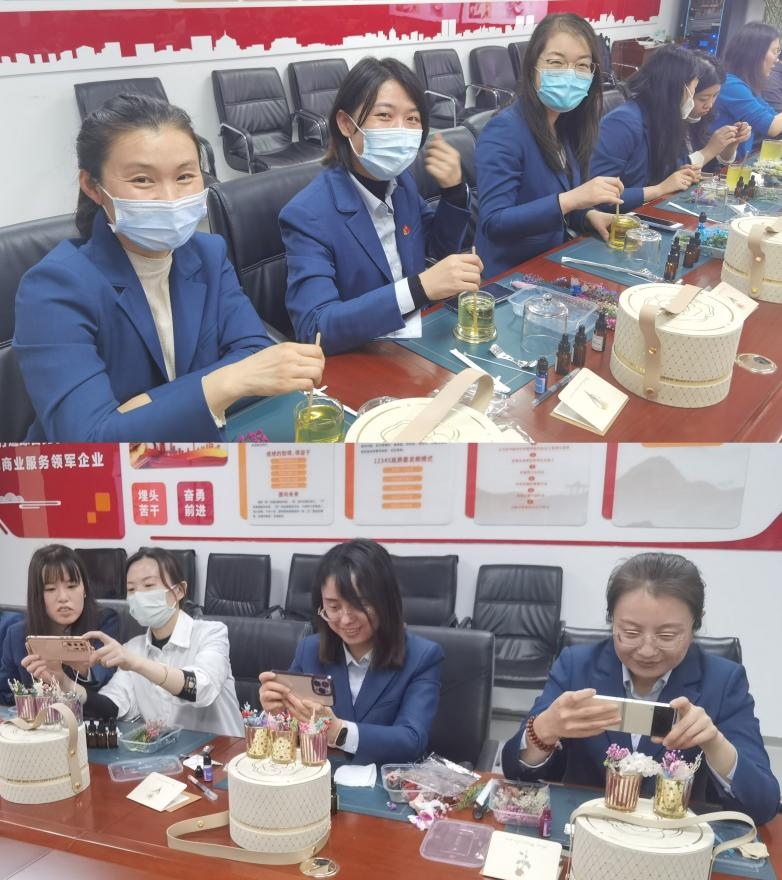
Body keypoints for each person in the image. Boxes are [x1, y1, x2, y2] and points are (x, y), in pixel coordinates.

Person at [14, 94, 324, 442]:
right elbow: (89, 441)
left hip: (196, 447)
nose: (170, 197)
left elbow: (254, 352)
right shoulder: (55, 287)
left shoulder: (207, 253)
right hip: (100, 473)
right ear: (93, 187)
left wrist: (144, 405)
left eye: (185, 176)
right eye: (142, 180)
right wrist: (226, 382)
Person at [501, 552, 780, 826]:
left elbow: (763, 806)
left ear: (695, 623)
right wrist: (543, 731)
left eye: (667, 635)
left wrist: (715, 744)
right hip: (586, 827)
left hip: (672, 836)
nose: (647, 650)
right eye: (631, 632)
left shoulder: (722, 681)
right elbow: (516, 774)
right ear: (612, 620)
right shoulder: (576, 666)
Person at [281, 57, 481, 355]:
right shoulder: (306, 215)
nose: (401, 130)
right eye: (385, 116)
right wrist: (418, 289)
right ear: (346, 124)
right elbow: (315, 328)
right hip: (362, 356)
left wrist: (453, 192)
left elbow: (435, 250)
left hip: (418, 343)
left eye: (412, 119)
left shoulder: (401, 182)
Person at [259, 539, 444, 765]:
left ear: (386, 601)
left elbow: (411, 740)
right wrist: (276, 712)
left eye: (359, 605)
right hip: (321, 772)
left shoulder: (422, 657)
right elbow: (296, 727)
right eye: (334, 607)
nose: (346, 620)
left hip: (384, 778)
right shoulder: (310, 649)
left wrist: (340, 731)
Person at [475, 12, 623, 279]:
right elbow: (494, 223)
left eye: (581, 65)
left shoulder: (567, 124)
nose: (569, 74)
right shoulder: (505, 130)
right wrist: (573, 199)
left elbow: (556, 204)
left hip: (551, 264)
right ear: (533, 65)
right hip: (508, 277)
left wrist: (587, 215)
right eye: (556, 62)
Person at [77, 547, 243, 737]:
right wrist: (65, 683)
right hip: (169, 753)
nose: (138, 596)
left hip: (224, 750)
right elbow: (112, 705)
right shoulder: (132, 648)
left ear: (179, 591)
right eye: (131, 589)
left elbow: (201, 688)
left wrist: (138, 664)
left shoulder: (211, 633)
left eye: (148, 585)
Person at [0, 545, 118, 704]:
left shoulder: (104, 621)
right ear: (37, 595)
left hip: (90, 717)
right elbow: (5, 694)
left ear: (84, 589)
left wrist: (84, 670)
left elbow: (105, 681)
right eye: (50, 589)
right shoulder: (16, 634)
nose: (63, 597)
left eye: (72, 586)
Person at [590, 45, 701, 212]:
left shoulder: (667, 120)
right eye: (694, 88)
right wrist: (660, 189)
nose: (693, 95)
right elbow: (597, 197)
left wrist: (682, 173)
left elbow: (676, 164)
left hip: (648, 212)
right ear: (678, 88)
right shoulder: (622, 124)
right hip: (616, 219)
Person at [714, 22, 782, 160]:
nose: (777, 59)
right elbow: (771, 127)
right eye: (775, 51)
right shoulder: (731, 85)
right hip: (718, 165)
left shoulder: (744, 84)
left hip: (736, 161)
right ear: (756, 53)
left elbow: (773, 117)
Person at [686, 51, 752, 170]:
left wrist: (730, 145)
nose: (709, 105)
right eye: (703, 99)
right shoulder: (665, 123)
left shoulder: (701, 117)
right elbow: (675, 170)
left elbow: (709, 166)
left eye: (715, 95)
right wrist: (710, 150)